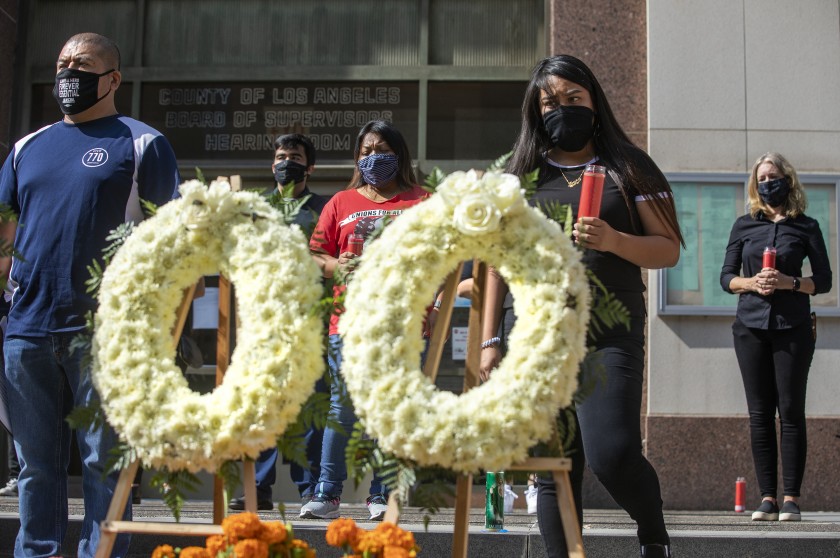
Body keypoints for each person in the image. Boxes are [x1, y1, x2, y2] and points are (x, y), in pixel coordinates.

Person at [479, 55, 684, 558]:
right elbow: (494, 266)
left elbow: (668, 248)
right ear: (534, 110)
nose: (562, 109)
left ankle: (653, 534)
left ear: (594, 100)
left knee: (612, 455)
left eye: (573, 98)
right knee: (554, 466)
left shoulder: (628, 167)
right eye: (550, 102)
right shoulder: (517, 175)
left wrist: (615, 240)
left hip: (607, 335)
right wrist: (488, 342)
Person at [0, 33, 180, 557]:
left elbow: (166, 242)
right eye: (61, 63)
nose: (68, 73)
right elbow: (5, 235)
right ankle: (38, 550)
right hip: (26, 330)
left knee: (106, 462)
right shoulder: (26, 148)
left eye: (82, 63)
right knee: (35, 465)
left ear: (113, 78)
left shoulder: (142, 143)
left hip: (103, 334)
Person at [304, 120, 428, 521]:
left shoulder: (423, 200)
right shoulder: (340, 202)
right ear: (358, 157)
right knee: (343, 408)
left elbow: (439, 257)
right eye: (366, 151)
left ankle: (382, 494)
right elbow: (314, 254)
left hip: (402, 324)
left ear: (400, 155)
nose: (374, 157)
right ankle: (327, 493)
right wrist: (334, 267)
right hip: (348, 323)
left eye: (383, 150)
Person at [720, 152, 831, 523]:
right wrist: (751, 283)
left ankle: (791, 499)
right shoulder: (744, 225)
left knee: (792, 412)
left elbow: (825, 281)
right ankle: (767, 497)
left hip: (792, 327)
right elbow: (726, 278)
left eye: (774, 176)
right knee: (759, 415)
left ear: (788, 179)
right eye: (762, 177)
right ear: (756, 184)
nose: (768, 182)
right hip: (750, 326)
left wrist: (790, 283)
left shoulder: (807, 227)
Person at [228, 133, 328, 511]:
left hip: (310, 322)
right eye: (281, 156)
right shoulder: (256, 208)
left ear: (310, 166)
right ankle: (257, 487)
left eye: (295, 156)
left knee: (310, 405)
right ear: (273, 164)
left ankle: (311, 488)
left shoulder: (325, 208)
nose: (286, 161)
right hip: (264, 321)